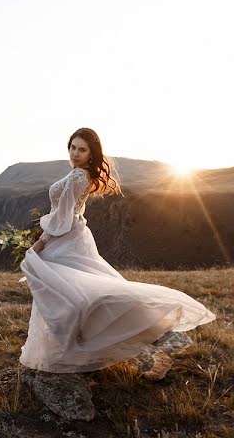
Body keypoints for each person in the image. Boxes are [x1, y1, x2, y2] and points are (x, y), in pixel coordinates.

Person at [18, 128, 217, 373]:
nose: (76, 153)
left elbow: (64, 216)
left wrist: (41, 242)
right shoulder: (79, 174)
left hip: (65, 236)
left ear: (91, 154)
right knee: (71, 289)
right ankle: (72, 343)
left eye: (82, 149)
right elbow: (73, 212)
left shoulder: (78, 176)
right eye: (73, 147)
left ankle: (74, 344)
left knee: (65, 289)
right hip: (72, 235)